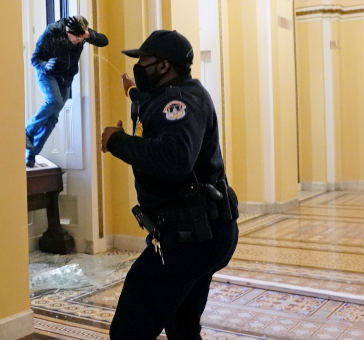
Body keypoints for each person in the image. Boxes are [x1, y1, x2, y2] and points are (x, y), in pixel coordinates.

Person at [100, 30, 239, 340]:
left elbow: (174, 159)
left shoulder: (179, 100)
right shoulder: (178, 92)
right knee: (183, 326)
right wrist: (134, 92)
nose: (139, 66)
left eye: (143, 61)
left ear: (163, 66)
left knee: (129, 330)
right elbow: (157, 107)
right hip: (204, 232)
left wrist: (117, 141)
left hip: (189, 238)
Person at [26, 16, 108, 167]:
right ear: (66, 31)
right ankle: (27, 131)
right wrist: (45, 66)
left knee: (53, 117)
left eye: (81, 38)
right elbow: (34, 59)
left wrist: (89, 35)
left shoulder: (82, 34)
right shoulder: (52, 33)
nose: (78, 41)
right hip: (47, 73)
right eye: (75, 37)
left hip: (65, 78)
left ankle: (31, 153)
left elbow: (104, 41)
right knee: (55, 101)